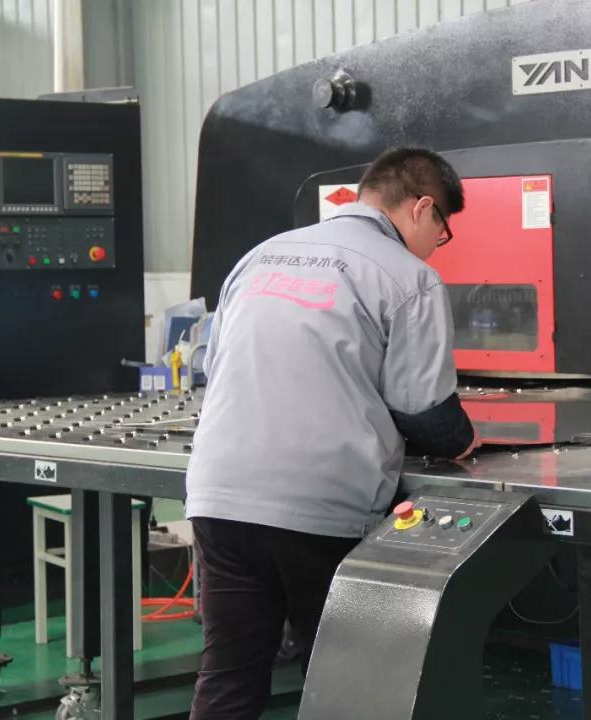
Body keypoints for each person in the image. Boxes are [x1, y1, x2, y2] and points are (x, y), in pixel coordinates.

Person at [184, 147, 481, 719]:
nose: (437, 244)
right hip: (319, 507)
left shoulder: (260, 256)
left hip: (220, 497)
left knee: (230, 676)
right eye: (442, 230)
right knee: (340, 683)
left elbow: (213, 367)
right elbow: (422, 409)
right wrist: (459, 438)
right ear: (423, 209)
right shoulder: (409, 277)